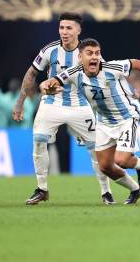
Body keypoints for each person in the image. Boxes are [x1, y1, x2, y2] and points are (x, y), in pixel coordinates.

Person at [39, 38, 140, 204]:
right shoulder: (74, 73)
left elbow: (134, 63)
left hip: (126, 117)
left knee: (122, 160)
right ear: (80, 57)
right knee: (105, 166)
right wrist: (45, 88)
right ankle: (134, 189)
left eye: (97, 53)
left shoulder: (112, 68)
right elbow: (50, 82)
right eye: (89, 53)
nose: (94, 57)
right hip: (103, 121)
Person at [13, 13, 114, 205]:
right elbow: (31, 73)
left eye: (69, 28)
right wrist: (20, 103)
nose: (64, 32)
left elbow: (103, 78)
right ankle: (42, 188)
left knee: (96, 150)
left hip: (80, 105)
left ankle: (106, 192)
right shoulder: (50, 50)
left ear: (78, 30)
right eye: (61, 28)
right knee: (39, 141)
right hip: (52, 103)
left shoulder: (89, 51)